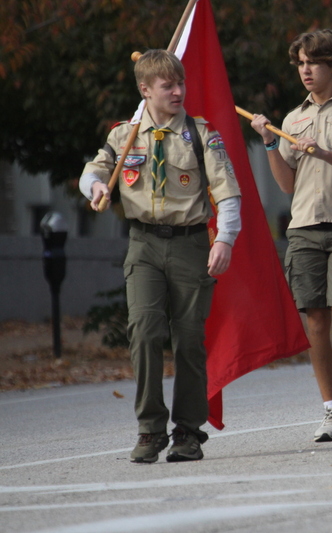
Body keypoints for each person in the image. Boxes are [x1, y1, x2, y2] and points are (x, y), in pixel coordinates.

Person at [79, 49, 242, 463]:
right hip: (144, 244)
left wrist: (224, 239)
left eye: (180, 83)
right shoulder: (125, 135)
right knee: (145, 332)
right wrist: (95, 188)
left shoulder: (201, 133)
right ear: (145, 89)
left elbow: (228, 191)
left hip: (190, 243)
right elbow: (94, 170)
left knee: (188, 338)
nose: (178, 91)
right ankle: (150, 429)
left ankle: (188, 430)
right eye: (167, 85)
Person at [250, 30, 332, 442]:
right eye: (301, 63)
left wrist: (321, 151)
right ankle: (331, 411)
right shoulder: (293, 118)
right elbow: (286, 185)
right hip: (303, 227)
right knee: (317, 320)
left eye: (314, 63)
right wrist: (270, 143)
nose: (306, 70)